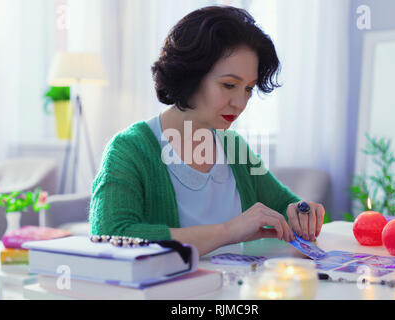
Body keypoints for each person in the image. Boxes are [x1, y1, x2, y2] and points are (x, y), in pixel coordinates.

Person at [89, 5, 325, 256]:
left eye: (248, 88)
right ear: (190, 75)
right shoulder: (130, 149)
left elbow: (284, 206)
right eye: (229, 85)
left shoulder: (234, 147)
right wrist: (228, 231)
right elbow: (109, 235)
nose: (240, 103)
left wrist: (301, 212)